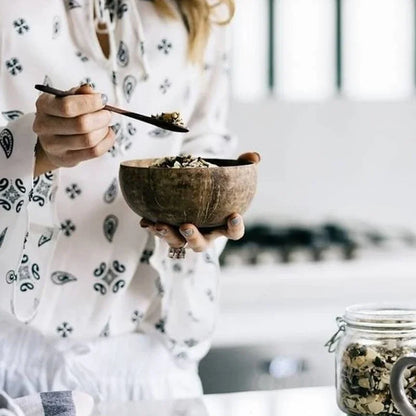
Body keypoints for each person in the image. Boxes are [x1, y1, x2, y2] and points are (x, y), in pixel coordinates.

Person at [0, 0, 259, 404]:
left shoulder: (199, 6)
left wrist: (204, 212)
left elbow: (202, 133)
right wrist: (31, 152)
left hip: (154, 367)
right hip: (15, 364)